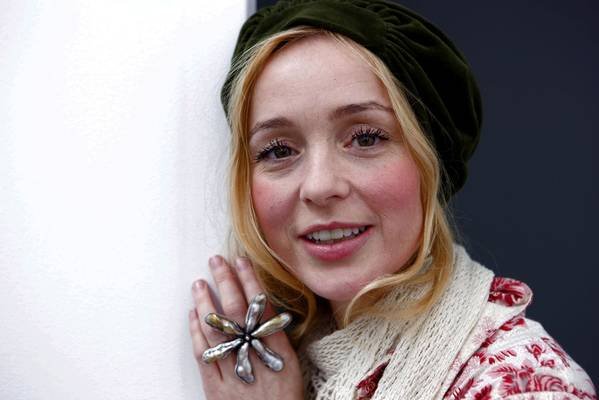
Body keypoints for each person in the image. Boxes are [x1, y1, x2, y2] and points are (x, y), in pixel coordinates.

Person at [187, 1, 597, 399]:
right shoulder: (285, 356)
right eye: (278, 150)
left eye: (366, 138)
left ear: (429, 163)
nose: (319, 186)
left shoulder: (528, 385)